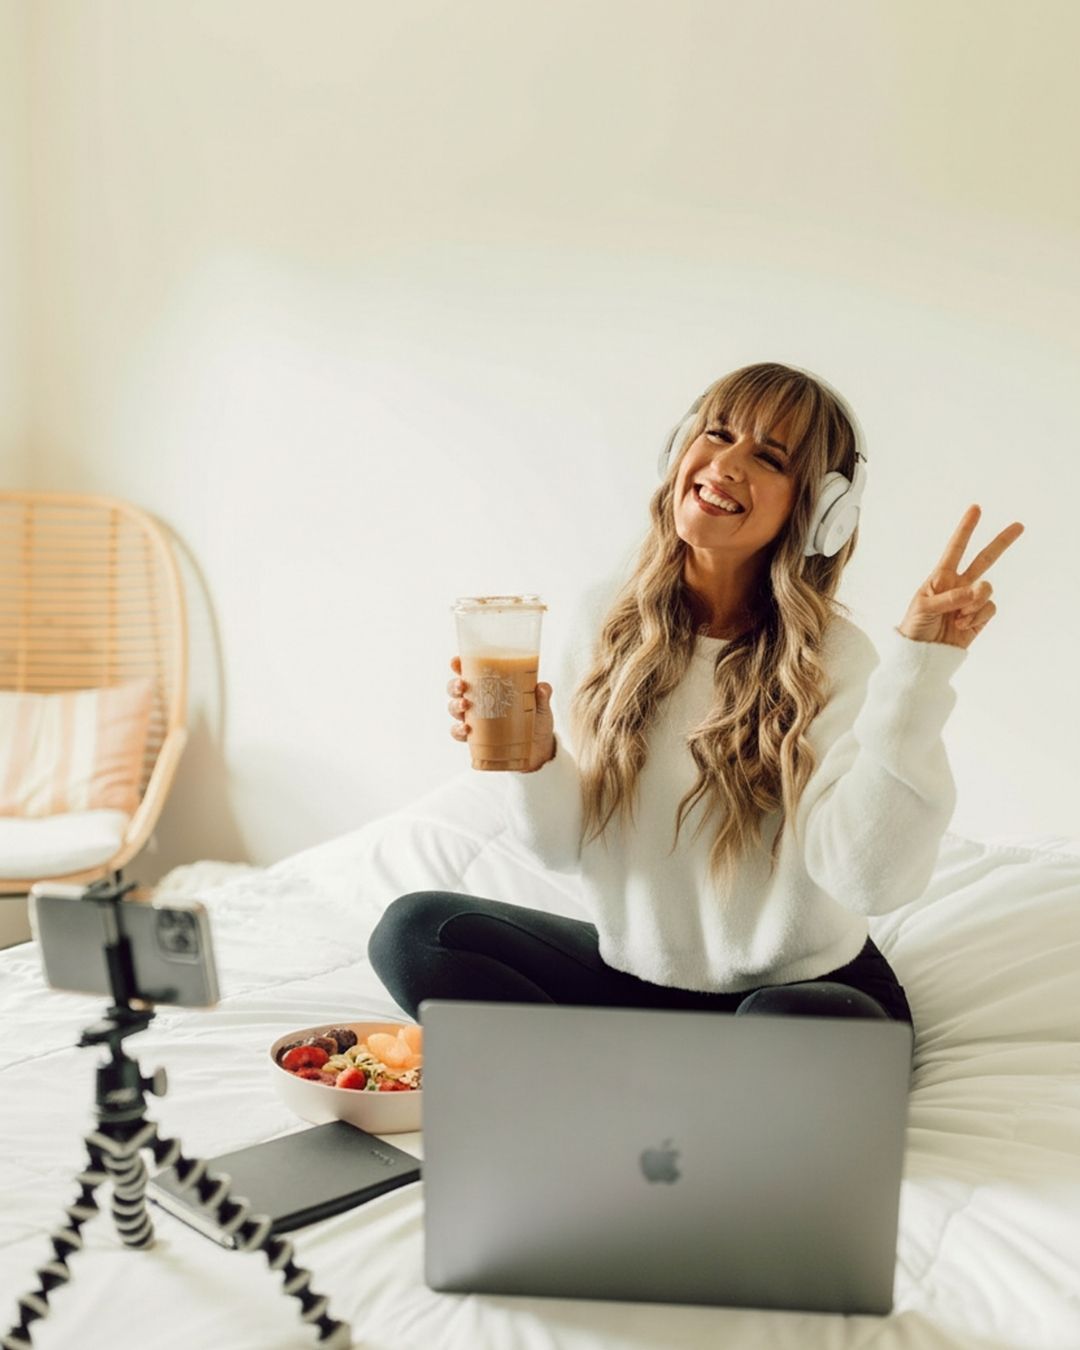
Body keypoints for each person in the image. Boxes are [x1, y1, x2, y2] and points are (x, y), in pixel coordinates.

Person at [368, 362, 1024, 1030]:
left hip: (799, 990)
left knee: (793, 1026)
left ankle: (644, 1077)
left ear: (819, 511)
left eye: (769, 457)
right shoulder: (606, 620)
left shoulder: (834, 656)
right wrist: (534, 755)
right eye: (717, 434)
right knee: (415, 933)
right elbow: (561, 849)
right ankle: (673, 1078)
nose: (729, 463)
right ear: (680, 449)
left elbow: (870, 880)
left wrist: (920, 668)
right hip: (635, 979)